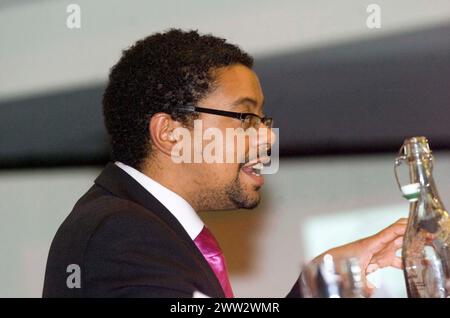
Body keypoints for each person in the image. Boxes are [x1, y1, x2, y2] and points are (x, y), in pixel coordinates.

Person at [43, 29, 406, 298]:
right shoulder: (120, 233)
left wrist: (320, 282)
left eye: (263, 120)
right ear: (170, 133)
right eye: (246, 117)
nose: (268, 137)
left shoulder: (140, 226)